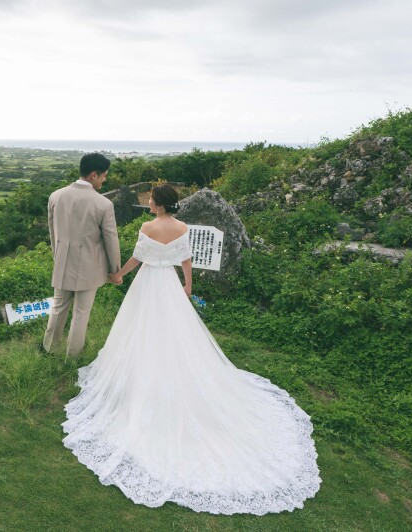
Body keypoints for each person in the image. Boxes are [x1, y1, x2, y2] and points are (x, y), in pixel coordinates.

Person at [62, 184, 321, 514]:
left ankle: (143, 379)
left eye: (151, 200)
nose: (149, 203)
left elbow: (138, 259)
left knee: (141, 331)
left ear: (158, 204)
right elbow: (186, 259)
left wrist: (118, 276)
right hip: (168, 285)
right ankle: (164, 374)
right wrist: (187, 285)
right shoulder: (182, 228)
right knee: (172, 333)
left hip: (146, 286)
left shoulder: (147, 227)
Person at [43, 153, 121, 358]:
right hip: (90, 266)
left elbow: (53, 232)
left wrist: (56, 255)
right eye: (104, 175)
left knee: (58, 307)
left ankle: (50, 348)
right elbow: (111, 241)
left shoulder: (56, 196)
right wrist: (115, 270)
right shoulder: (103, 204)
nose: (105, 179)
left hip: (62, 261)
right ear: (93, 175)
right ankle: (72, 357)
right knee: (81, 313)